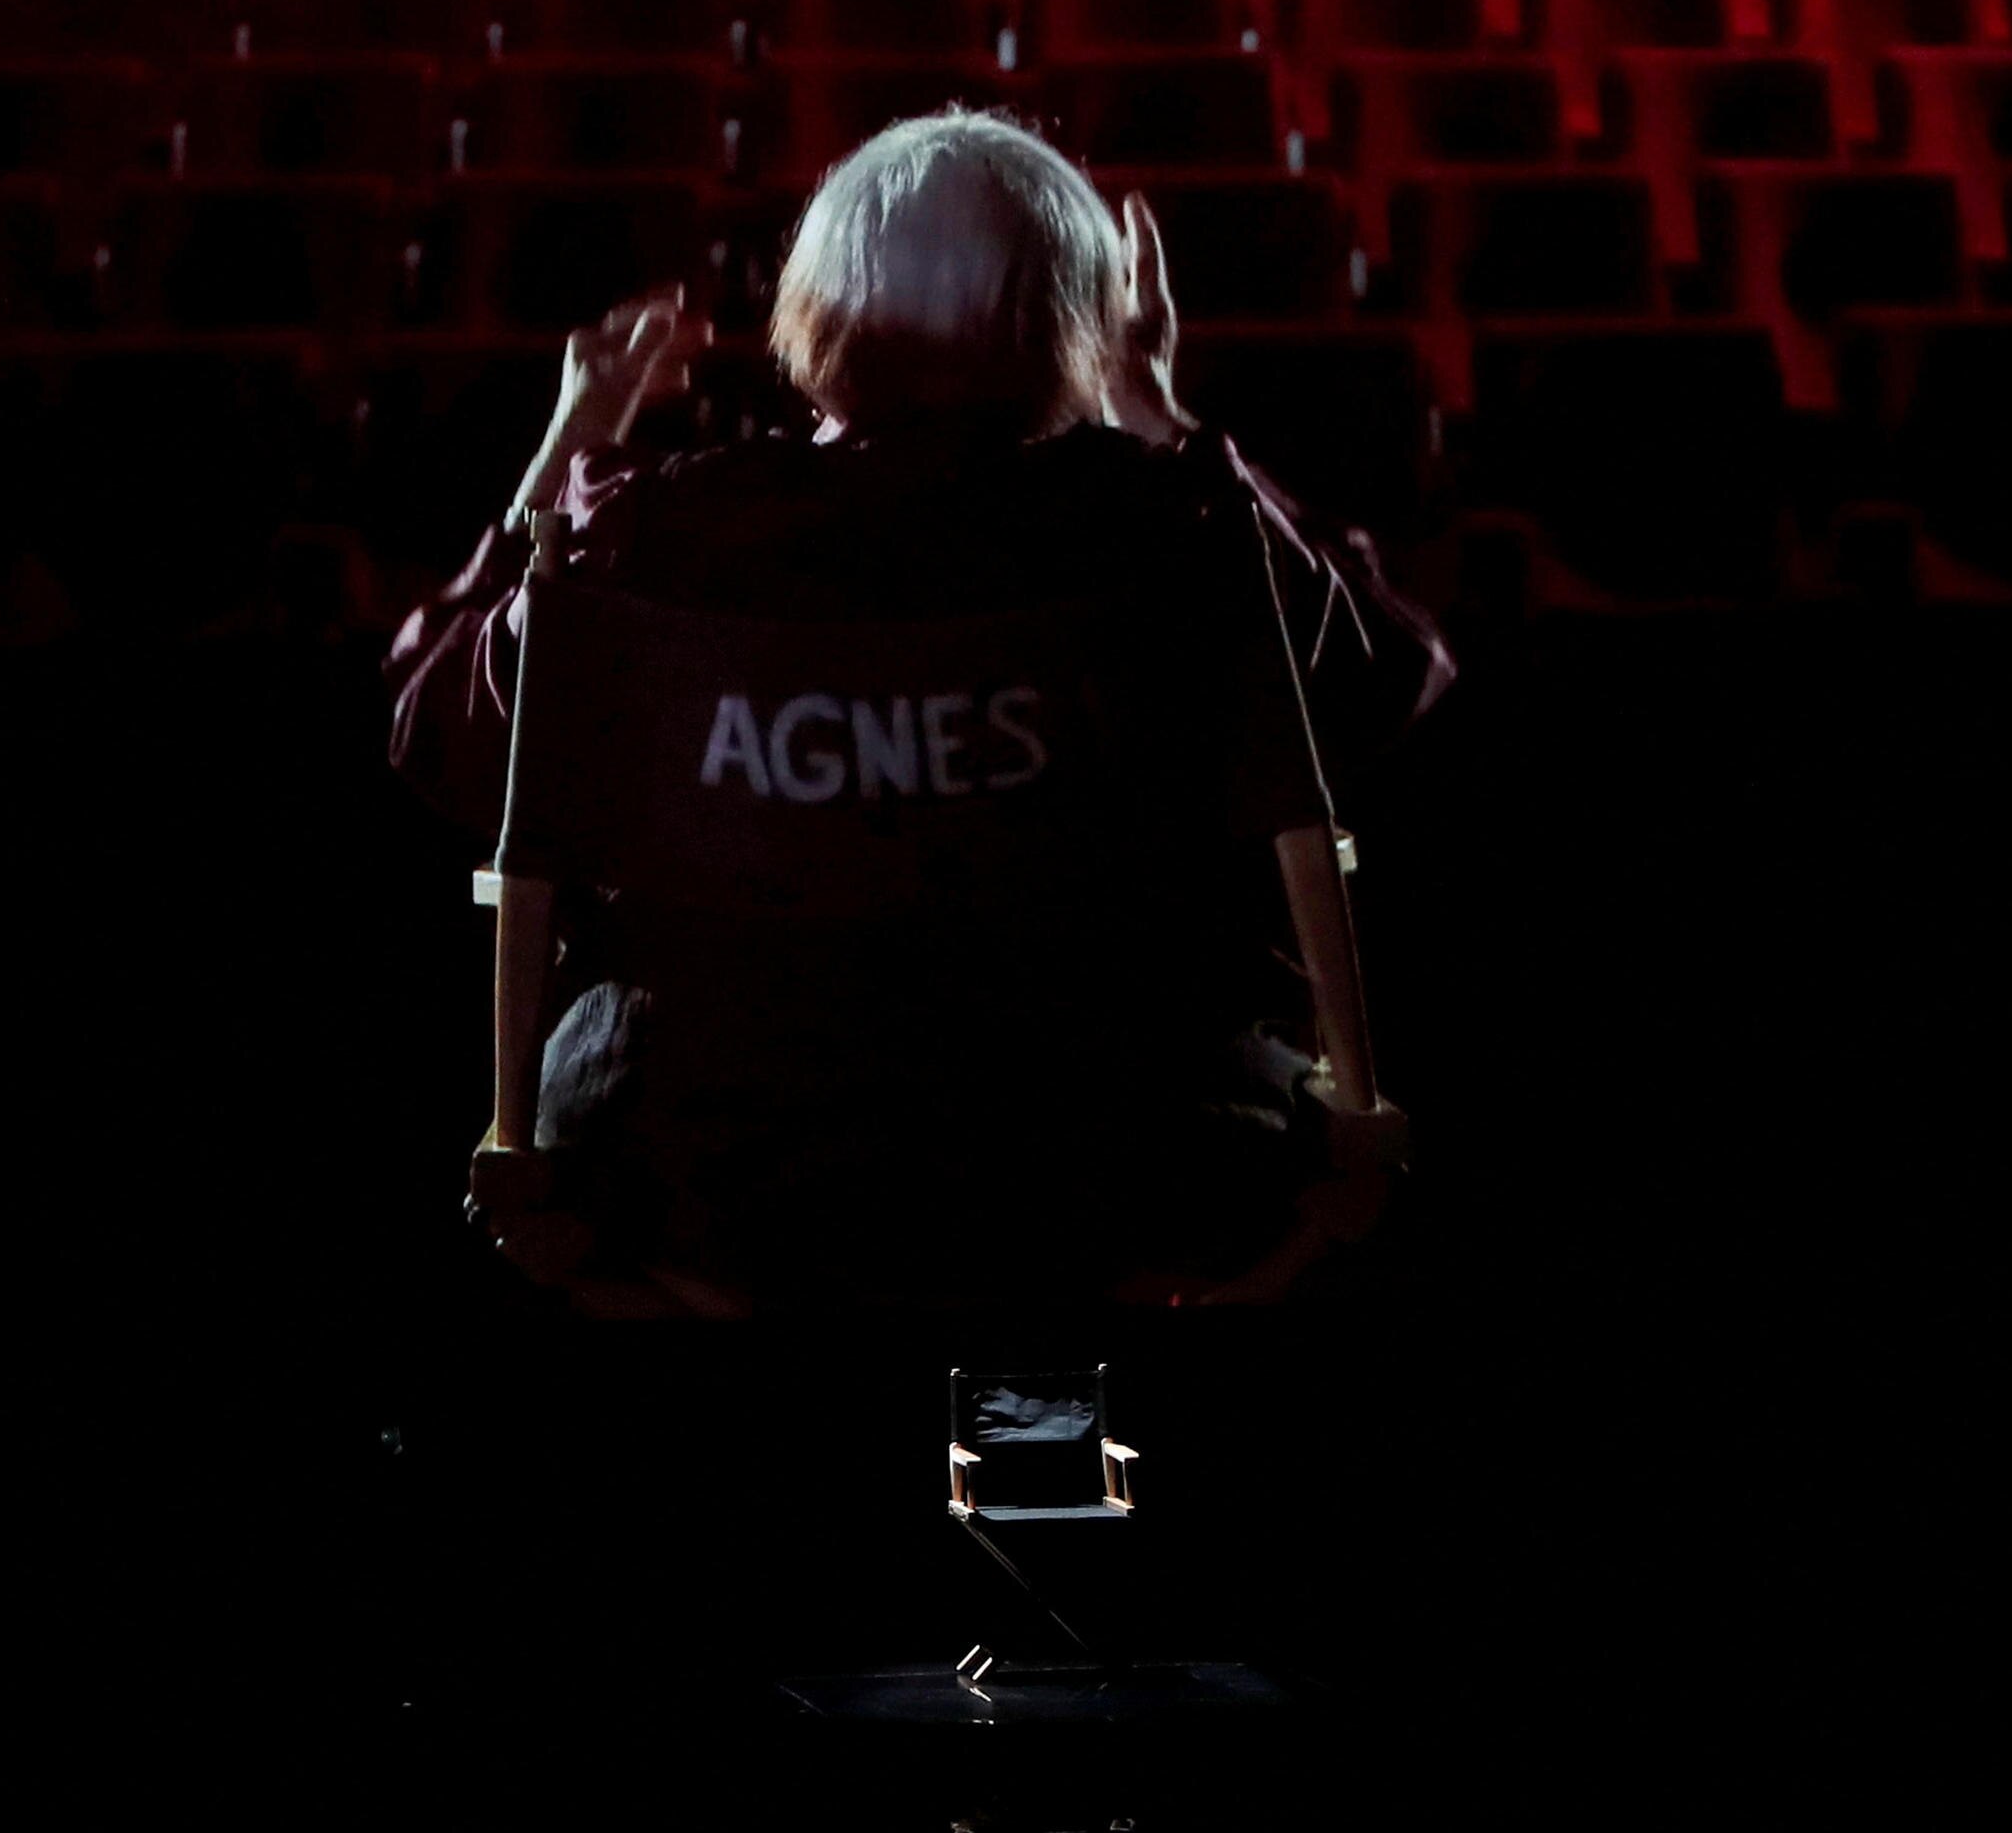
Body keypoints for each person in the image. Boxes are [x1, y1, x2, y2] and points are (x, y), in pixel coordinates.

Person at [385, 109, 1452, 1309]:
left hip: (702, 1177)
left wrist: (566, 445)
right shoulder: (1178, 527)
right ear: (1075, 320)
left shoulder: (644, 535)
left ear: (816, 310)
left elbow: (439, 736)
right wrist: (1155, 411)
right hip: (1130, 1159)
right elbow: (1384, 681)